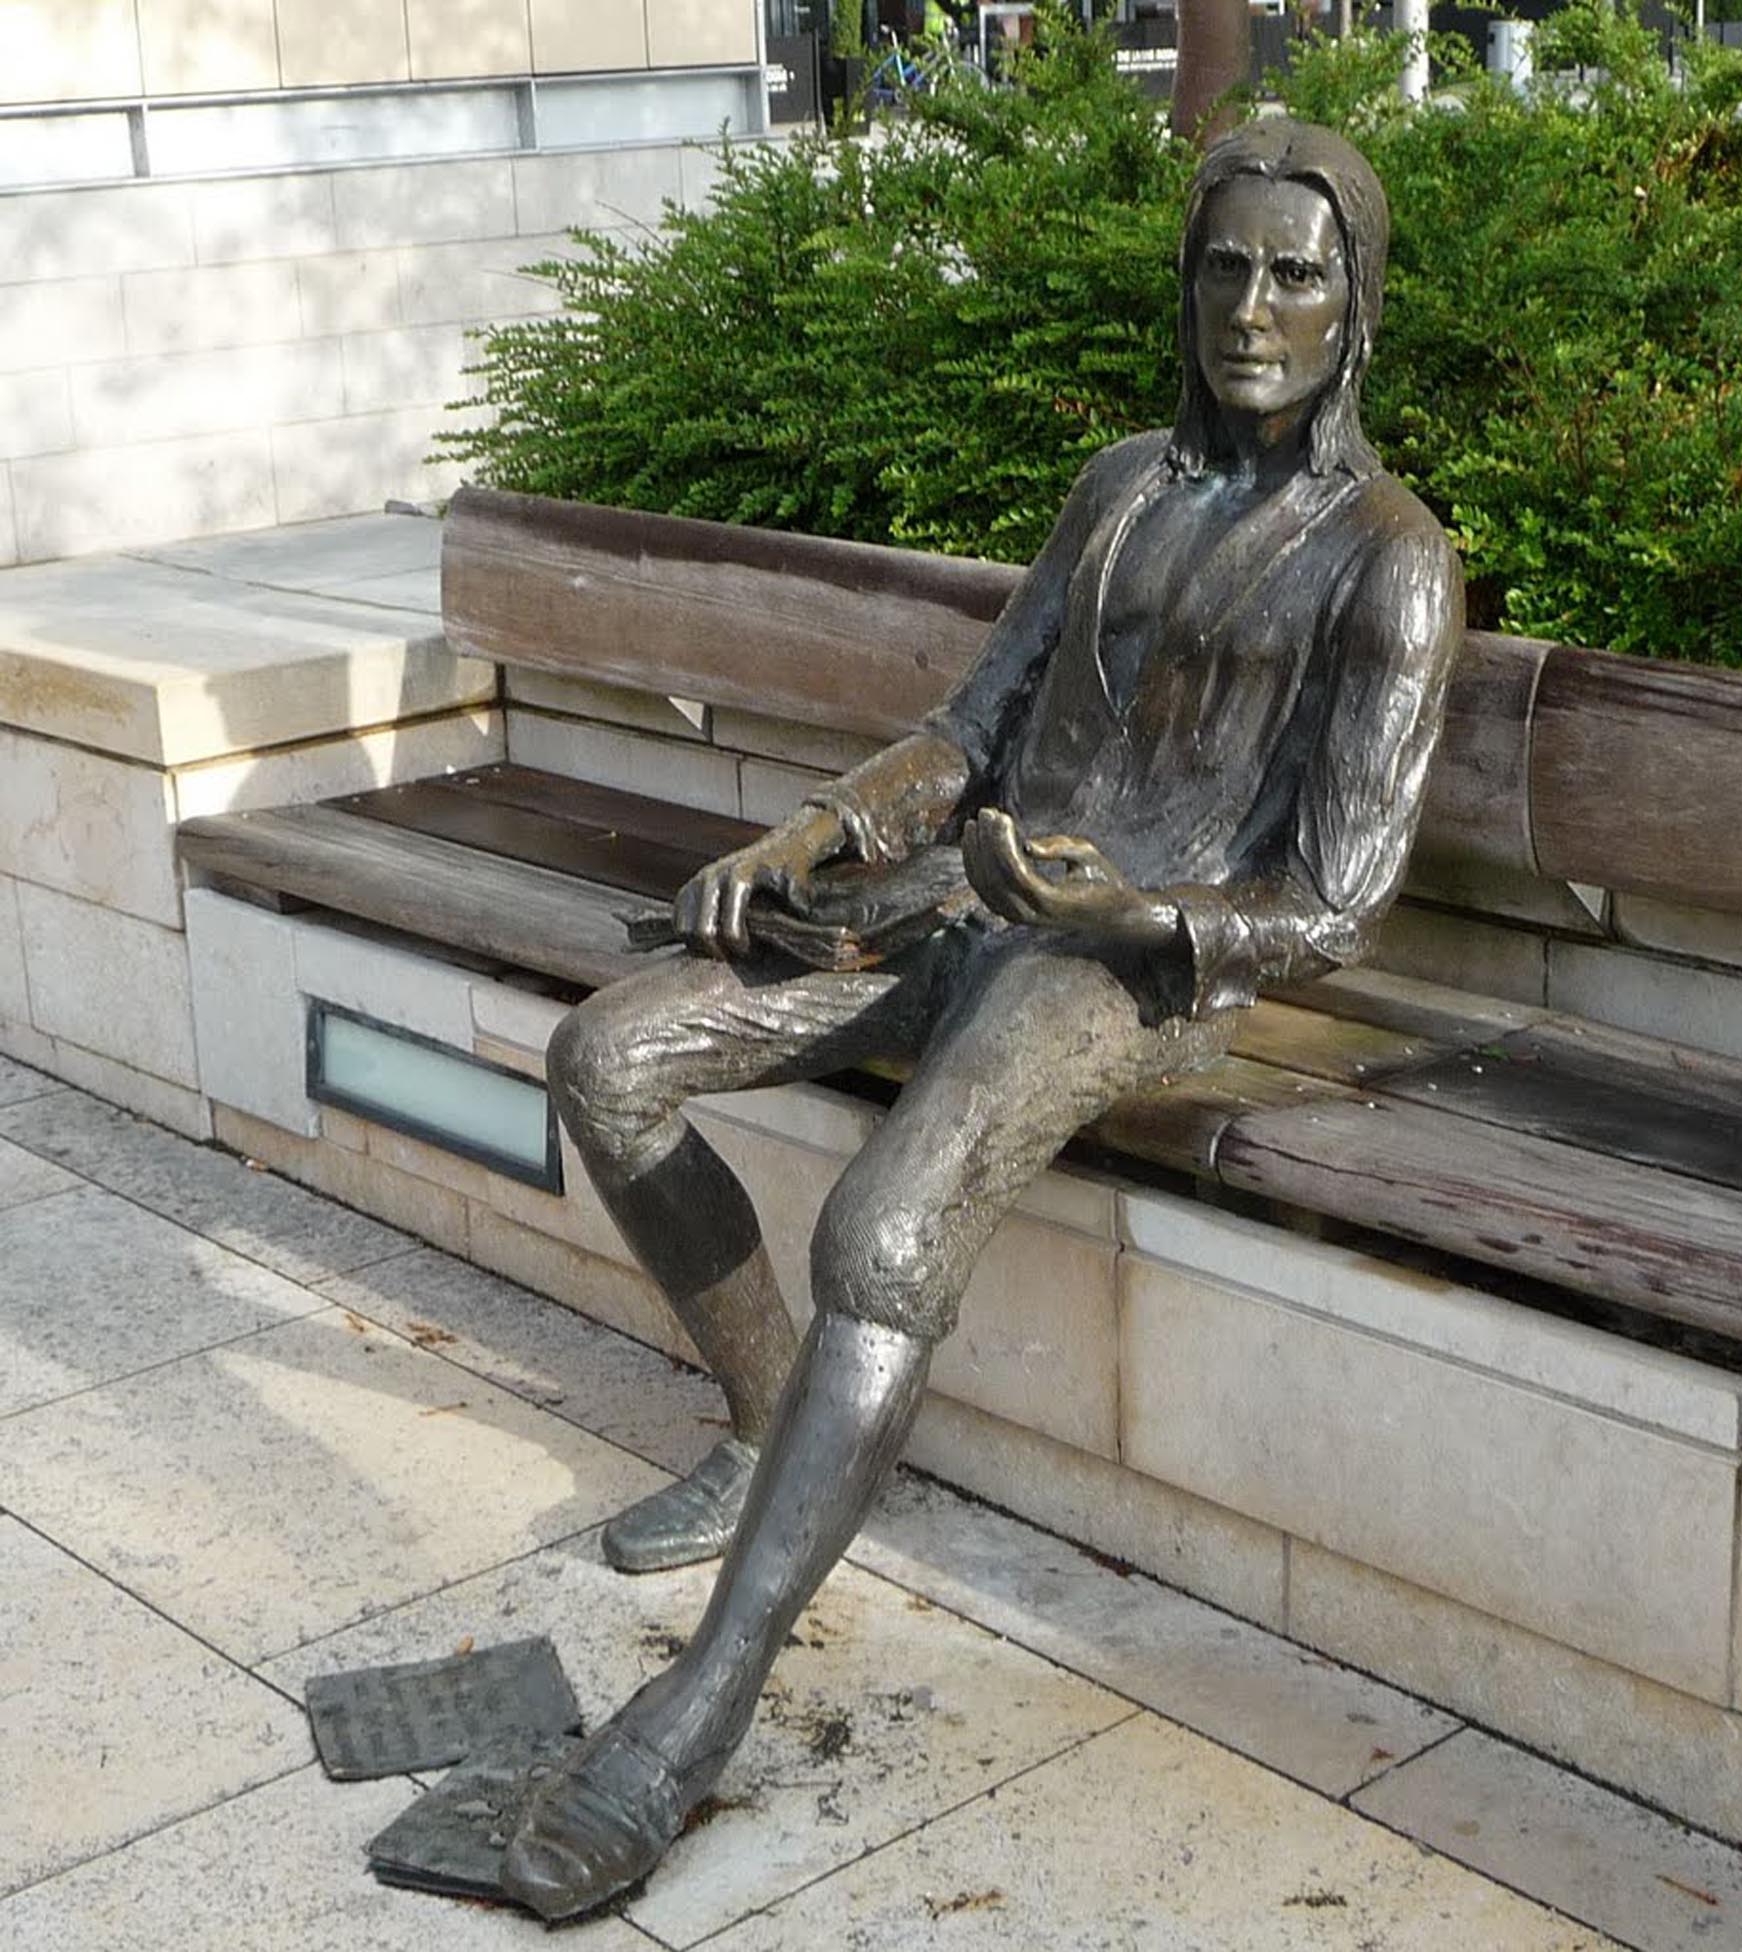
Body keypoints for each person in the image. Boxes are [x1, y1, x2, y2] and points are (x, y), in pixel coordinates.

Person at [502, 116, 1464, 1921]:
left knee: (885, 1225)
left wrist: (1134, 912)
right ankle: (767, 1420)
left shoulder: (1391, 562)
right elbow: (969, 728)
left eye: (1295, 274)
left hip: (1147, 971)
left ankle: (694, 1714)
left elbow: (1336, 905)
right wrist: (809, 833)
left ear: (1356, 308)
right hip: (953, 908)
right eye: (1222, 267)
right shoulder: (1118, 490)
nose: (1250, 306)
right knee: (608, 1059)